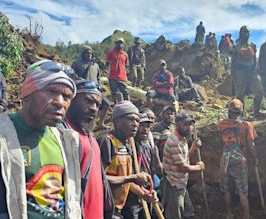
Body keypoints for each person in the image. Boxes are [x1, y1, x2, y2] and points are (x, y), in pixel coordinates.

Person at [0, 60, 82, 218]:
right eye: (51, 91)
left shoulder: (66, 141)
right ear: (28, 94)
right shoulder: (3, 134)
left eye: (67, 96)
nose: (60, 102)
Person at [97, 101, 156, 218]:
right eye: (130, 119)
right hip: (104, 209)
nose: (135, 124)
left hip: (118, 209)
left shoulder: (126, 146)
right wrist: (132, 177)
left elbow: (125, 181)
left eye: (137, 121)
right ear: (117, 121)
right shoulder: (107, 142)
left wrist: (144, 194)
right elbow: (99, 179)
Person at [65, 80, 113, 219]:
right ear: (71, 100)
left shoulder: (91, 138)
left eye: (97, 105)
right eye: (88, 100)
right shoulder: (63, 135)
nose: (94, 108)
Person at [218, 99, 258, 219]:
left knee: (226, 190)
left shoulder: (221, 124)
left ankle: (229, 214)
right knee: (243, 192)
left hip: (224, 161)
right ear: (241, 111)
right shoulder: (246, 125)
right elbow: (251, 145)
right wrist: (255, 158)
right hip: (239, 162)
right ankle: (245, 216)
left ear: (228, 111)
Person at [162, 113, 205, 219]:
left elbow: (184, 158)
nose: (188, 128)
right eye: (185, 125)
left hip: (181, 184)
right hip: (174, 185)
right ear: (178, 124)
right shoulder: (174, 142)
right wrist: (198, 167)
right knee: (175, 215)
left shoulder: (182, 139)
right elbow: (183, 167)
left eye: (189, 125)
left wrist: (193, 147)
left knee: (188, 212)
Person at [72, 45, 110, 129]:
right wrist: (83, 82)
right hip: (83, 91)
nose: (89, 55)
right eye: (87, 53)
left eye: (91, 53)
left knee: (106, 104)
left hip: (95, 90)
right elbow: (73, 76)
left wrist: (99, 86)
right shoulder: (77, 64)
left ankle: (100, 123)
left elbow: (98, 77)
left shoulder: (95, 65)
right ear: (83, 53)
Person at [231, 26, 264, 118]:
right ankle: (241, 114)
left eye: (247, 32)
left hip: (252, 71)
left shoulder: (252, 45)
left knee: (259, 92)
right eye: (244, 32)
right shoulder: (236, 46)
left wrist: (256, 70)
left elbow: (254, 59)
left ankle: (256, 112)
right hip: (240, 71)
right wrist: (232, 74)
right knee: (240, 95)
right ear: (240, 33)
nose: (245, 34)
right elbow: (233, 60)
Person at [105, 37, 130, 103]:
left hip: (122, 77)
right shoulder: (110, 53)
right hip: (112, 77)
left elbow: (126, 66)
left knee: (125, 93)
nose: (119, 44)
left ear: (123, 44)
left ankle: (128, 106)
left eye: (121, 43)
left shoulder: (125, 55)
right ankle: (116, 106)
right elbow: (107, 63)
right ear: (115, 44)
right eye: (118, 43)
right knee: (114, 93)